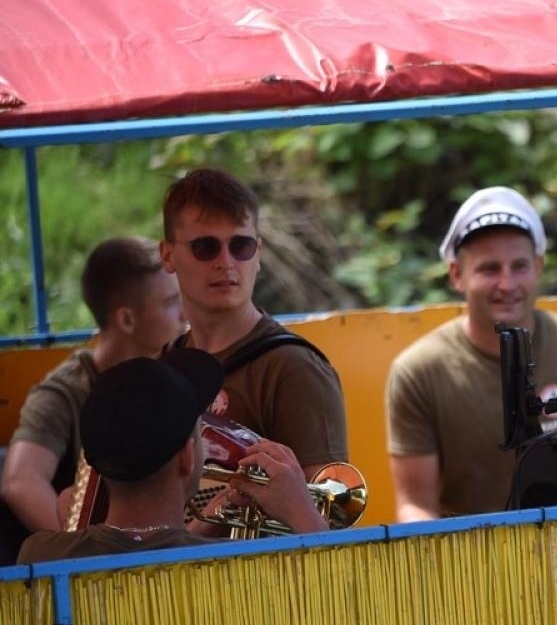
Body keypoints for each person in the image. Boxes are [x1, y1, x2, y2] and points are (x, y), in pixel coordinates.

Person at [386, 186, 557, 520]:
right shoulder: (417, 372)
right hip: (469, 544)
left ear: (539, 267)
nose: (507, 284)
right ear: (457, 275)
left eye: (519, 266)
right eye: (489, 269)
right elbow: (416, 504)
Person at [16, 350, 328, 565]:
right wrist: (303, 512)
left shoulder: (38, 553)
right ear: (187, 457)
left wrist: (201, 527)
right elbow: (340, 599)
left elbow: (144, 555)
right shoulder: (237, 562)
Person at [161, 168, 348, 479]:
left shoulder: (295, 369)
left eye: (241, 246)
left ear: (258, 254)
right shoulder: (167, 366)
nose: (226, 262)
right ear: (167, 255)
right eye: (205, 247)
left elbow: (325, 504)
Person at [2, 237, 183, 544]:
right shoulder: (64, 392)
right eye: (170, 303)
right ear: (126, 319)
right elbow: (20, 481)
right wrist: (83, 551)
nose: (185, 315)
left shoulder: (178, 372)